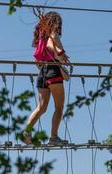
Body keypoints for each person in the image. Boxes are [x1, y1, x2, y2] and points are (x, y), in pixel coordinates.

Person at [22, 11, 69, 145]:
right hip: (53, 71)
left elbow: (37, 61)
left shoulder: (40, 38)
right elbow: (51, 43)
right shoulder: (53, 34)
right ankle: (54, 138)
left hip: (42, 71)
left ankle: (26, 132)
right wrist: (60, 52)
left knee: (41, 107)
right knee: (59, 107)